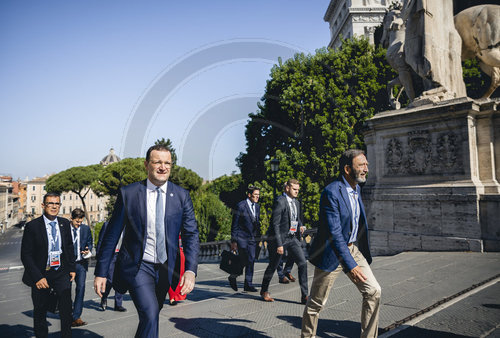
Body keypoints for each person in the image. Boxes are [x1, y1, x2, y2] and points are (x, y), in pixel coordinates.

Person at [94, 144, 200, 338]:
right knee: (150, 314)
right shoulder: (129, 193)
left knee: (151, 315)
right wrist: (101, 272)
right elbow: (112, 235)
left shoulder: (181, 196)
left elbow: (191, 235)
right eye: (157, 162)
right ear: (146, 165)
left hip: (166, 268)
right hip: (138, 266)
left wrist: (191, 270)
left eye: (167, 163)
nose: (163, 167)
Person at [302, 149, 381, 338]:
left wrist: (354, 257)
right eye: (361, 165)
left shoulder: (357, 188)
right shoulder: (331, 192)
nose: (366, 169)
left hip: (352, 249)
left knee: (374, 291)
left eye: (366, 165)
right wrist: (351, 266)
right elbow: (335, 233)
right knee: (316, 304)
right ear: (347, 169)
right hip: (331, 253)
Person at [21, 192, 76, 338]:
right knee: (40, 311)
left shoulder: (64, 224)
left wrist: (72, 268)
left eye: (56, 203)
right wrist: (38, 277)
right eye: (50, 203)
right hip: (41, 274)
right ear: (43, 205)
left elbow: (69, 247)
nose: (54, 206)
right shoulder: (32, 226)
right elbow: (26, 255)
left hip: (61, 273)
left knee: (66, 310)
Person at [260, 179, 308, 304]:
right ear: (287, 188)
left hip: (292, 238)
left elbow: (295, 218)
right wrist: (279, 244)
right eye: (294, 189)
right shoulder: (280, 201)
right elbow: (275, 224)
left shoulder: (296, 203)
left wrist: (301, 225)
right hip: (279, 239)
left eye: (298, 190)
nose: (297, 192)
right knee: (273, 266)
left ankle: (305, 296)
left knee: (303, 263)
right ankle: (264, 291)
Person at [228, 186, 261, 292]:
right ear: (249, 195)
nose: (257, 197)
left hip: (252, 239)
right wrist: (233, 241)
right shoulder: (241, 206)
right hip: (242, 238)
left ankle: (247, 284)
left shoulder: (257, 206)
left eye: (258, 195)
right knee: (246, 259)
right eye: (255, 195)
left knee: (250, 260)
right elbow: (235, 224)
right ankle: (234, 276)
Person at [69, 208, 93, 327]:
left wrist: (88, 250)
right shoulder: (66, 230)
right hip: (68, 265)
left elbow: (90, 243)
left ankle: (76, 316)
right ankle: (67, 314)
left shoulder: (85, 229)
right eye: (76, 222)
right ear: (71, 219)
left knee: (81, 289)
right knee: (66, 290)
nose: (79, 224)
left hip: (81, 264)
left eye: (80, 222)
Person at [96, 221, 126, 312]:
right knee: (110, 279)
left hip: (122, 255)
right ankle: (104, 297)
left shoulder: (128, 225)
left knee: (120, 279)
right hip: (111, 255)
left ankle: (118, 304)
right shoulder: (107, 224)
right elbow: (101, 240)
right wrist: (99, 256)